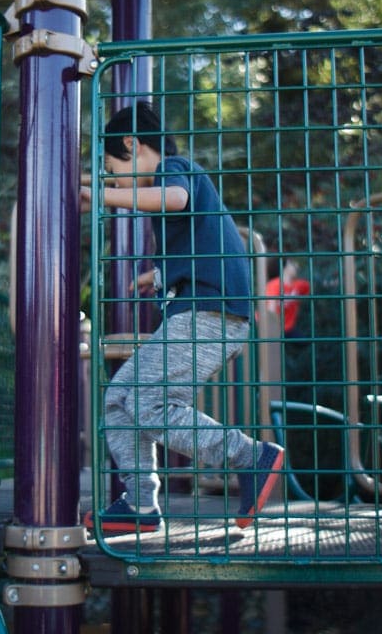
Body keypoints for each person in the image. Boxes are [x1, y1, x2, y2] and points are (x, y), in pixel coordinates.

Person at [80, 102, 284, 533]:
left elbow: (176, 199)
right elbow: (202, 237)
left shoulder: (176, 168)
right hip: (200, 313)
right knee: (118, 401)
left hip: (212, 315)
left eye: (112, 168)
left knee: (147, 401)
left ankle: (250, 457)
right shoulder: (171, 184)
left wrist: (101, 195)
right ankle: (138, 504)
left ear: (132, 145)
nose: (112, 180)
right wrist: (158, 273)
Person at [265, 260, 310, 336]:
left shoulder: (300, 285)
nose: (296, 265)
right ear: (285, 268)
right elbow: (271, 310)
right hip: (270, 325)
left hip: (287, 327)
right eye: (291, 263)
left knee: (304, 341)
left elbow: (315, 290)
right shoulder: (275, 285)